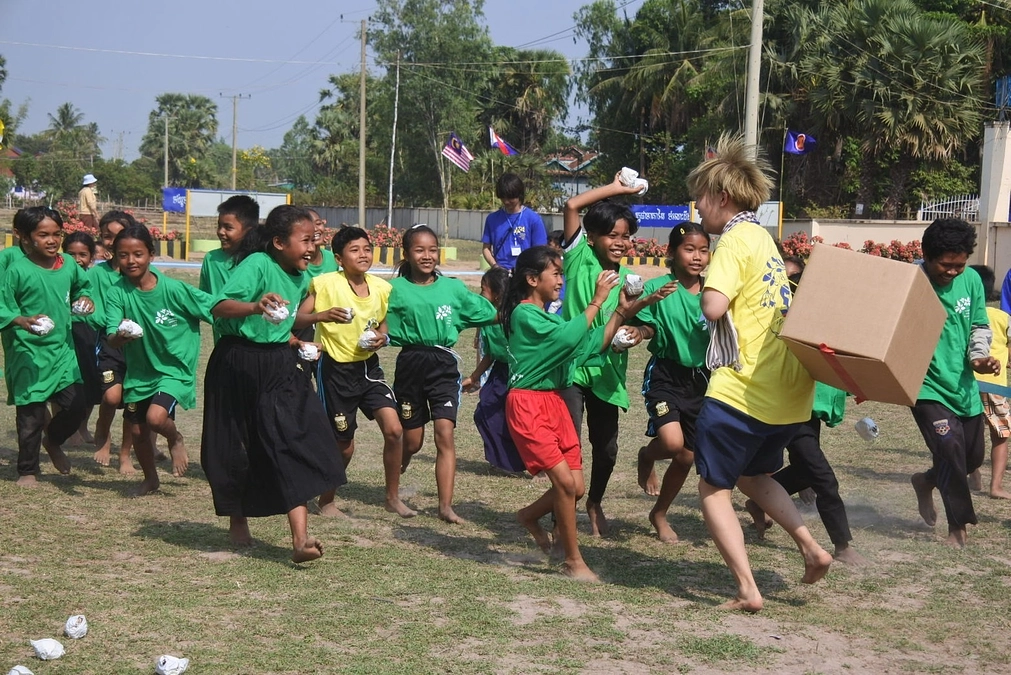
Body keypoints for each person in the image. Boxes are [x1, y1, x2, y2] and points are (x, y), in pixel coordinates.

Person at [689, 134, 831, 612]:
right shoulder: (766, 243)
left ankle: (748, 589)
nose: (697, 208)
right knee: (754, 475)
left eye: (700, 198)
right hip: (787, 390)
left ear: (722, 198)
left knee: (713, 487)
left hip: (742, 386)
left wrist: (701, 292)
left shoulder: (732, 240)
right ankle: (812, 547)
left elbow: (713, 307)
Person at [501, 246, 671, 581]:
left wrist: (623, 311)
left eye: (562, 273)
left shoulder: (549, 317)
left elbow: (591, 344)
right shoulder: (525, 314)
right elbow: (570, 336)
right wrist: (597, 300)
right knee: (565, 484)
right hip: (529, 405)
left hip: (554, 404)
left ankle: (528, 516)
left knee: (576, 487)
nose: (561, 280)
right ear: (532, 279)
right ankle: (572, 561)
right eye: (556, 274)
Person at [200, 204, 345, 562]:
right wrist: (254, 306)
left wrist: (316, 318)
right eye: (306, 240)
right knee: (238, 443)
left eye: (315, 239)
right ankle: (238, 517)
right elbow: (219, 306)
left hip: (280, 362)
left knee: (291, 439)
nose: (312, 248)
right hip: (238, 362)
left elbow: (287, 316)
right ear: (279, 242)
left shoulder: (300, 273)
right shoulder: (256, 264)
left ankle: (300, 540)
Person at [743, 265, 866, 564]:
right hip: (788, 408)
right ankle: (842, 545)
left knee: (805, 469)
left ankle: (758, 501)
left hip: (808, 408)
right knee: (824, 478)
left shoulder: (824, 317)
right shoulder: (780, 321)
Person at [294, 226, 416, 518]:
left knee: (395, 429)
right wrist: (321, 316)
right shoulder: (325, 284)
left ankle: (392, 497)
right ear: (338, 257)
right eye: (354, 249)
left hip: (368, 369)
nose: (363, 254)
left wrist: (382, 338)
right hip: (335, 371)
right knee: (344, 447)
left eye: (366, 248)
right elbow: (297, 318)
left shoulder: (382, 288)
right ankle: (326, 500)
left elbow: (383, 323)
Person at [387, 225, 497, 524]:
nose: (427, 256)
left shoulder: (454, 288)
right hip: (410, 364)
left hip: (444, 365)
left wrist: (511, 308)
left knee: (444, 434)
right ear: (406, 254)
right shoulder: (393, 291)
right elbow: (378, 323)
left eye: (432, 250)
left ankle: (445, 506)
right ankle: (397, 473)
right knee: (412, 442)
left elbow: (488, 312)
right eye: (419, 250)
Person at [559, 172, 643, 536]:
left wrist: (633, 333)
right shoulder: (577, 257)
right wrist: (619, 189)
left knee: (606, 448)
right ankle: (562, 514)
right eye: (612, 235)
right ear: (591, 237)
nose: (620, 242)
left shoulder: (628, 281)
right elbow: (572, 205)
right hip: (572, 368)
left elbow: (639, 322)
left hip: (608, 371)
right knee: (569, 445)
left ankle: (594, 501)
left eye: (626, 236)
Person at [909, 220, 1000, 548]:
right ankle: (957, 526)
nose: (953, 272)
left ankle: (925, 481)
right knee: (949, 449)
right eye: (946, 265)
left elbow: (979, 324)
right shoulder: (910, 281)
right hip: (925, 387)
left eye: (959, 265)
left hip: (963, 387)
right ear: (928, 257)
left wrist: (979, 358)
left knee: (971, 459)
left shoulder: (972, 279)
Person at [105, 224, 216, 493]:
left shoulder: (175, 290)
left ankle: (175, 437)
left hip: (174, 370)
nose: (131, 261)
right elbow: (111, 336)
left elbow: (214, 308)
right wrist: (121, 335)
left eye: (138, 254)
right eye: (123, 255)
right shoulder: (116, 292)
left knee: (156, 419)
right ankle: (150, 479)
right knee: (138, 432)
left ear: (151, 255)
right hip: (140, 372)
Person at [625, 222, 711, 544]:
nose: (697, 257)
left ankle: (659, 513)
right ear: (672, 253)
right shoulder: (659, 288)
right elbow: (647, 327)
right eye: (689, 249)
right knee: (672, 444)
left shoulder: (713, 291)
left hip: (701, 381)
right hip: (665, 375)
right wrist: (638, 333)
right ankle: (647, 456)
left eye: (703, 250)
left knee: (687, 457)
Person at [0, 206, 93, 485]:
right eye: (44, 235)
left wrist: (86, 299)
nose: (52, 240)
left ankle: (52, 441)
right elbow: (4, 305)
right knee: (32, 417)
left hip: (63, 353)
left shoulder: (68, 264)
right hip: (28, 355)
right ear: (26, 238)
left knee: (77, 405)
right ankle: (28, 470)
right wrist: (21, 320)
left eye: (56, 234)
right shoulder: (17, 270)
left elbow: (83, 287)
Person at [462, 266, 524, 473]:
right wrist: (474, 377)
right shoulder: (489, 318)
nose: (481, 294)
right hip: (499, 371)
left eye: (484, 289)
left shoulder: (518, 316)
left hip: (521, 372)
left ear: (497, 294)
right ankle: (501, 461)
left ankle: (539, 465)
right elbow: (491, 352)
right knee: (484, 412)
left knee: (522, 419)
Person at [92, 211, 141, 472]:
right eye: (106, 236)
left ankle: (125, 455)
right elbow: (82, 295)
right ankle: (103, 432)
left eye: (118, 236)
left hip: (138, 347)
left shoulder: (142, 273)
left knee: (133, 402)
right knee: (112, 397)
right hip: (110, 341)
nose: (111, 242)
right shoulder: (97, 274)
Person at [968, 264, 1011, 499]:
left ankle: (974, 476)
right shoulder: (1003, 317)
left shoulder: (966, 317)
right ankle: (996, 487)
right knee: (1000, 435)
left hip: (969, 385)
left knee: (971, 433)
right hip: (996, 387)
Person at [199, 195, 260, 343]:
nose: (221, 232)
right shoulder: (211, 260)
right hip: (224, 344)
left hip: (255, 345)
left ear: (248, 230)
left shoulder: (260, 260)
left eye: (228, 227)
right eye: (219, 225)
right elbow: (205, 302)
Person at [63, 232, 104, 443]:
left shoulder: (95, 277)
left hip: (88, 334)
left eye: (83, 254)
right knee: (65, 381)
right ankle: (64, 427)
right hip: (64, 333)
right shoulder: (59, 275)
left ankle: (82, 426)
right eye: (71, 254)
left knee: (89, 380)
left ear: (91, 257)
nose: (77, 259)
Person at [481, 173, 547, 270]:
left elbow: (541, 251)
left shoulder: (534, 219)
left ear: (519, 195)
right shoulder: (492, 219)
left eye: (510, 198)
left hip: (524, 274)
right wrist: (495, 266)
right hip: (501, 274)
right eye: (503, 198)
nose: (506, 201)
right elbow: (486, 248)